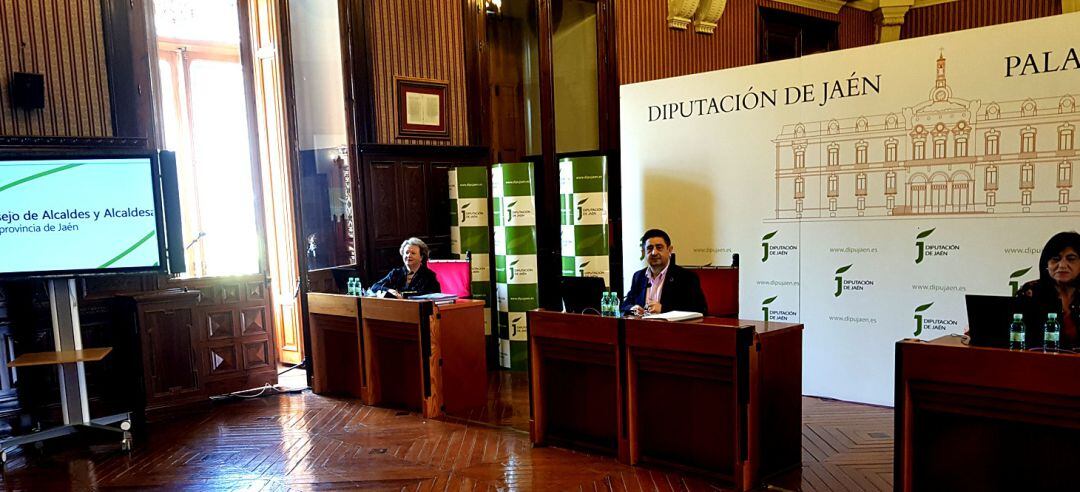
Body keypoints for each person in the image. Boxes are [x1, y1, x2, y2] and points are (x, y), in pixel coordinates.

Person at [620, 229, 707, 316]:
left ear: (669, 250)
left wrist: (664, 309)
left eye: (659, 247)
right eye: (649, 248)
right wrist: (632, 308)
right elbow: (625, 305)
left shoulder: (686, 277)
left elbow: (699, 309)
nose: (654, 253)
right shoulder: (639, 276)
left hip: (672, 328)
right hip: (642, 327)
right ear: (643, 252)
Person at [1016, 231, 1080, 350]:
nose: (1062, 265)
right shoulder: (1030, 291)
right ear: (1046, 264)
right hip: (1035, 363)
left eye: (1071, 259)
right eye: (1055, 259)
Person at [370, 237, 441, 298]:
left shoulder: (429, 275)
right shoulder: (396, 273)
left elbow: (432, 294)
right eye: (406, 253)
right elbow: (375, 286)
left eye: (413, 253)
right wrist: (388, 290)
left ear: (421, 257)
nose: (409, 255)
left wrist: (403, 295)